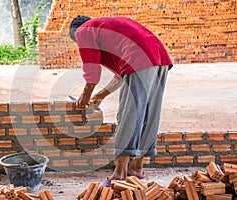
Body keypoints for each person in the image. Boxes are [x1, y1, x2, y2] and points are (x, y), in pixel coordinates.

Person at [69, 15, 173, 186]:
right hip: (159, 57)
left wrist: (85, 96)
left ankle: (119, 174)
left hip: (139, 58)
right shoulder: (105, 29)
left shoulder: (83, 31)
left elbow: (92, 70)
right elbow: (122, 75)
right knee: (149, 114)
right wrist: (101, 95)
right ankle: (136, 167)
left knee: (128, 115)